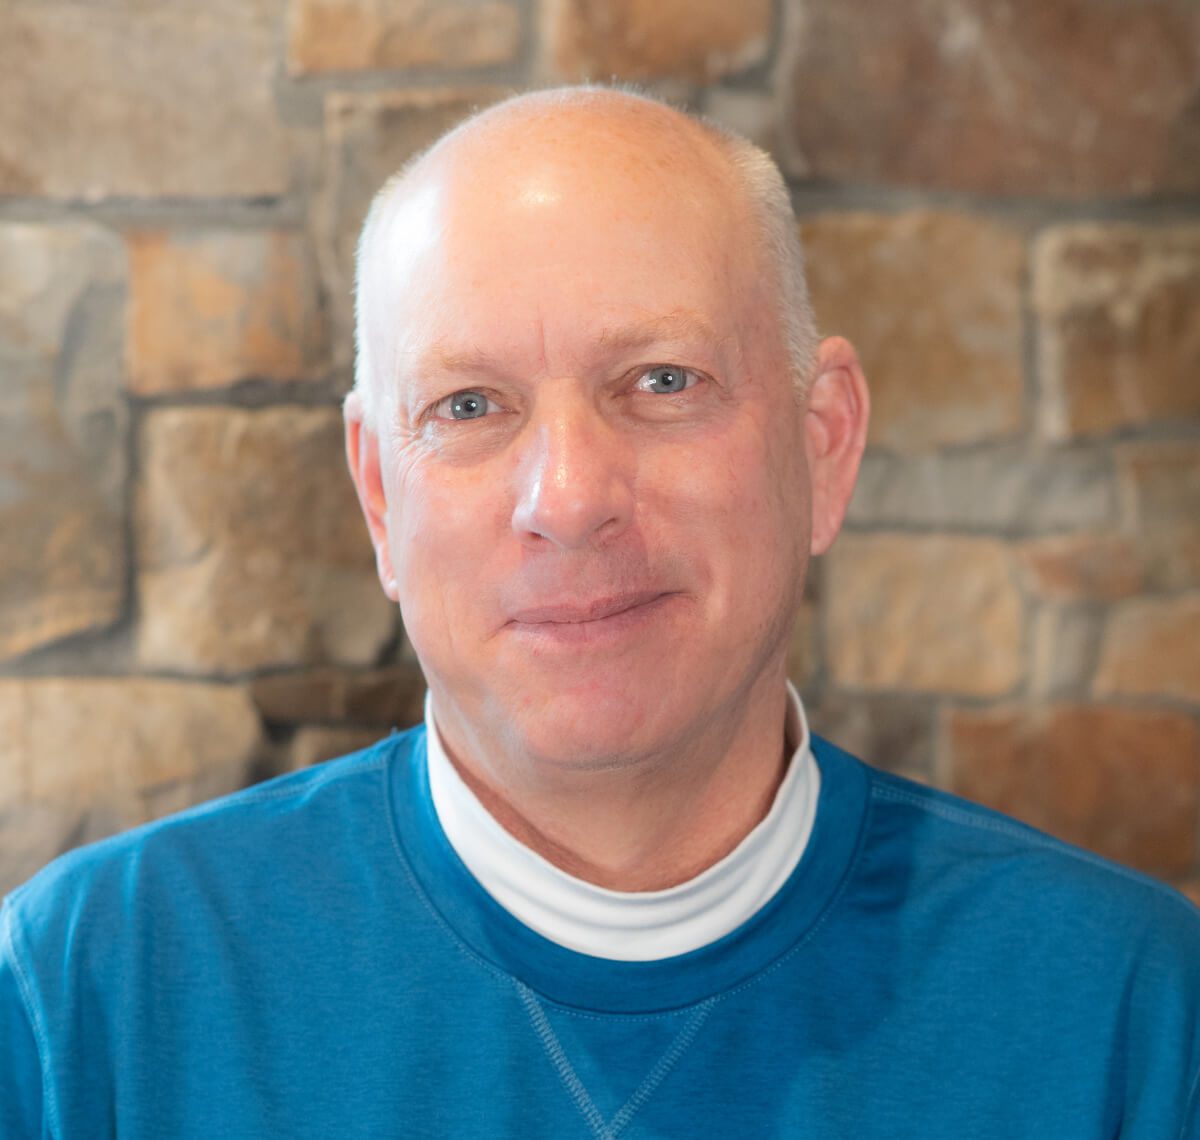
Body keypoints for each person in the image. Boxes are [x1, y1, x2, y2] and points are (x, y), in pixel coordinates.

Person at [2, 87, 1198, 1139]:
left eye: (662, 382)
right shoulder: (87, 1001)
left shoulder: (1131, 1020)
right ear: (378, 492)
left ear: (823, 443)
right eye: (471, 406)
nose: (568, 499)